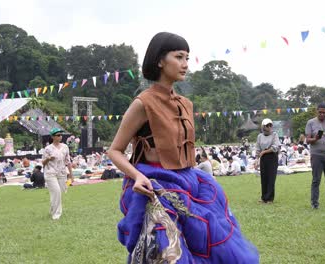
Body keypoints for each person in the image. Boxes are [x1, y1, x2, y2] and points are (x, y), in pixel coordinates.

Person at [107, 32, 258, 263]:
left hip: (189, 181)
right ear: (160, 61)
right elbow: (114, 150)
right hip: (154, 185)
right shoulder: (143, 103)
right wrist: (136, 176)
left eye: (187, 58)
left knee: (204, 243)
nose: (185, 64)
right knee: (167, 253)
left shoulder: (186, 104)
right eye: (179, 57)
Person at [42, 128, 72, 220]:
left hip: (61, 172)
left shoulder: (65, 147)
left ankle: (52, 209)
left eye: (61, 135)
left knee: (57, 193)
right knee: (56, 191)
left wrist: (71, 174)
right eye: (58, 135)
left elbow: (68, 161)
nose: (60, 136)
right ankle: (56, 214)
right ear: (53, 137)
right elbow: (43, 162)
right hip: (50, 172)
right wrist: (49, 158)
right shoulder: (48, 148)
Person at [255, 118, 280, 204]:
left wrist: (265, 151)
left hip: (272, 157)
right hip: (263, 158)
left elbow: (276, 146)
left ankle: (270, 198)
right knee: (264, 178)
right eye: (266, 125)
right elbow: (257, 149)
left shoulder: (274, 135)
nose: (268, 127)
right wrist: (256, 159)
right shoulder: (260, 136)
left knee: (271, 178)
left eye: (270, 125)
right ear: (263, 126)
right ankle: (264, 197)